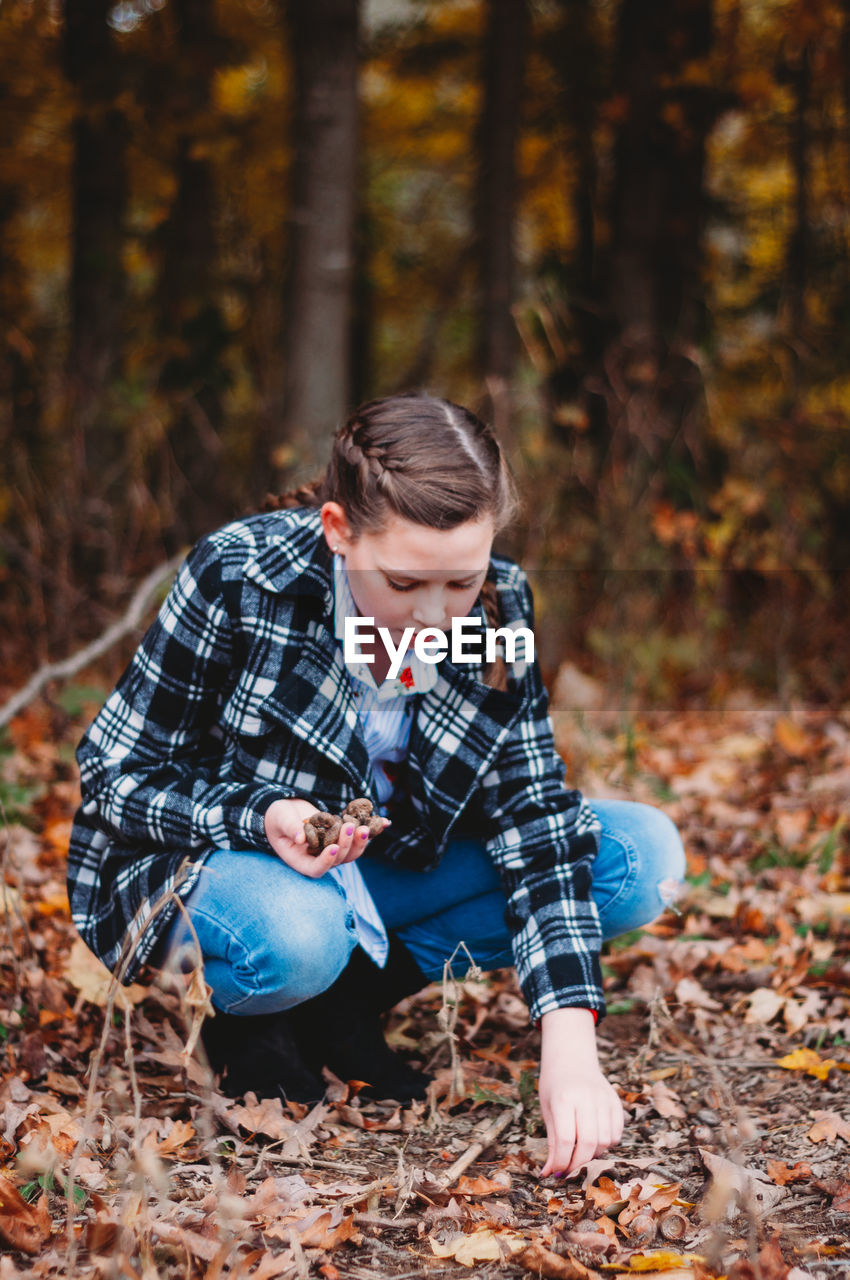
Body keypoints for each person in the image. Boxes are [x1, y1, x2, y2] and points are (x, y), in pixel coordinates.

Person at [67, 392, 686, 1178]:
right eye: (401, 583)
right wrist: (259, 819)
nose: (434, 616)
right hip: (232, 875)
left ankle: (345, 1003)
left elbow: (534, 814)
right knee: (292, 938)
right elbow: (114, 777)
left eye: (460, 582)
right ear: (339, 532)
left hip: (385, 873)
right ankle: (252, 1016)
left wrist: (569, 1041)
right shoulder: (241, 574)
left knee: (637, 855)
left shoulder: (501, 605)